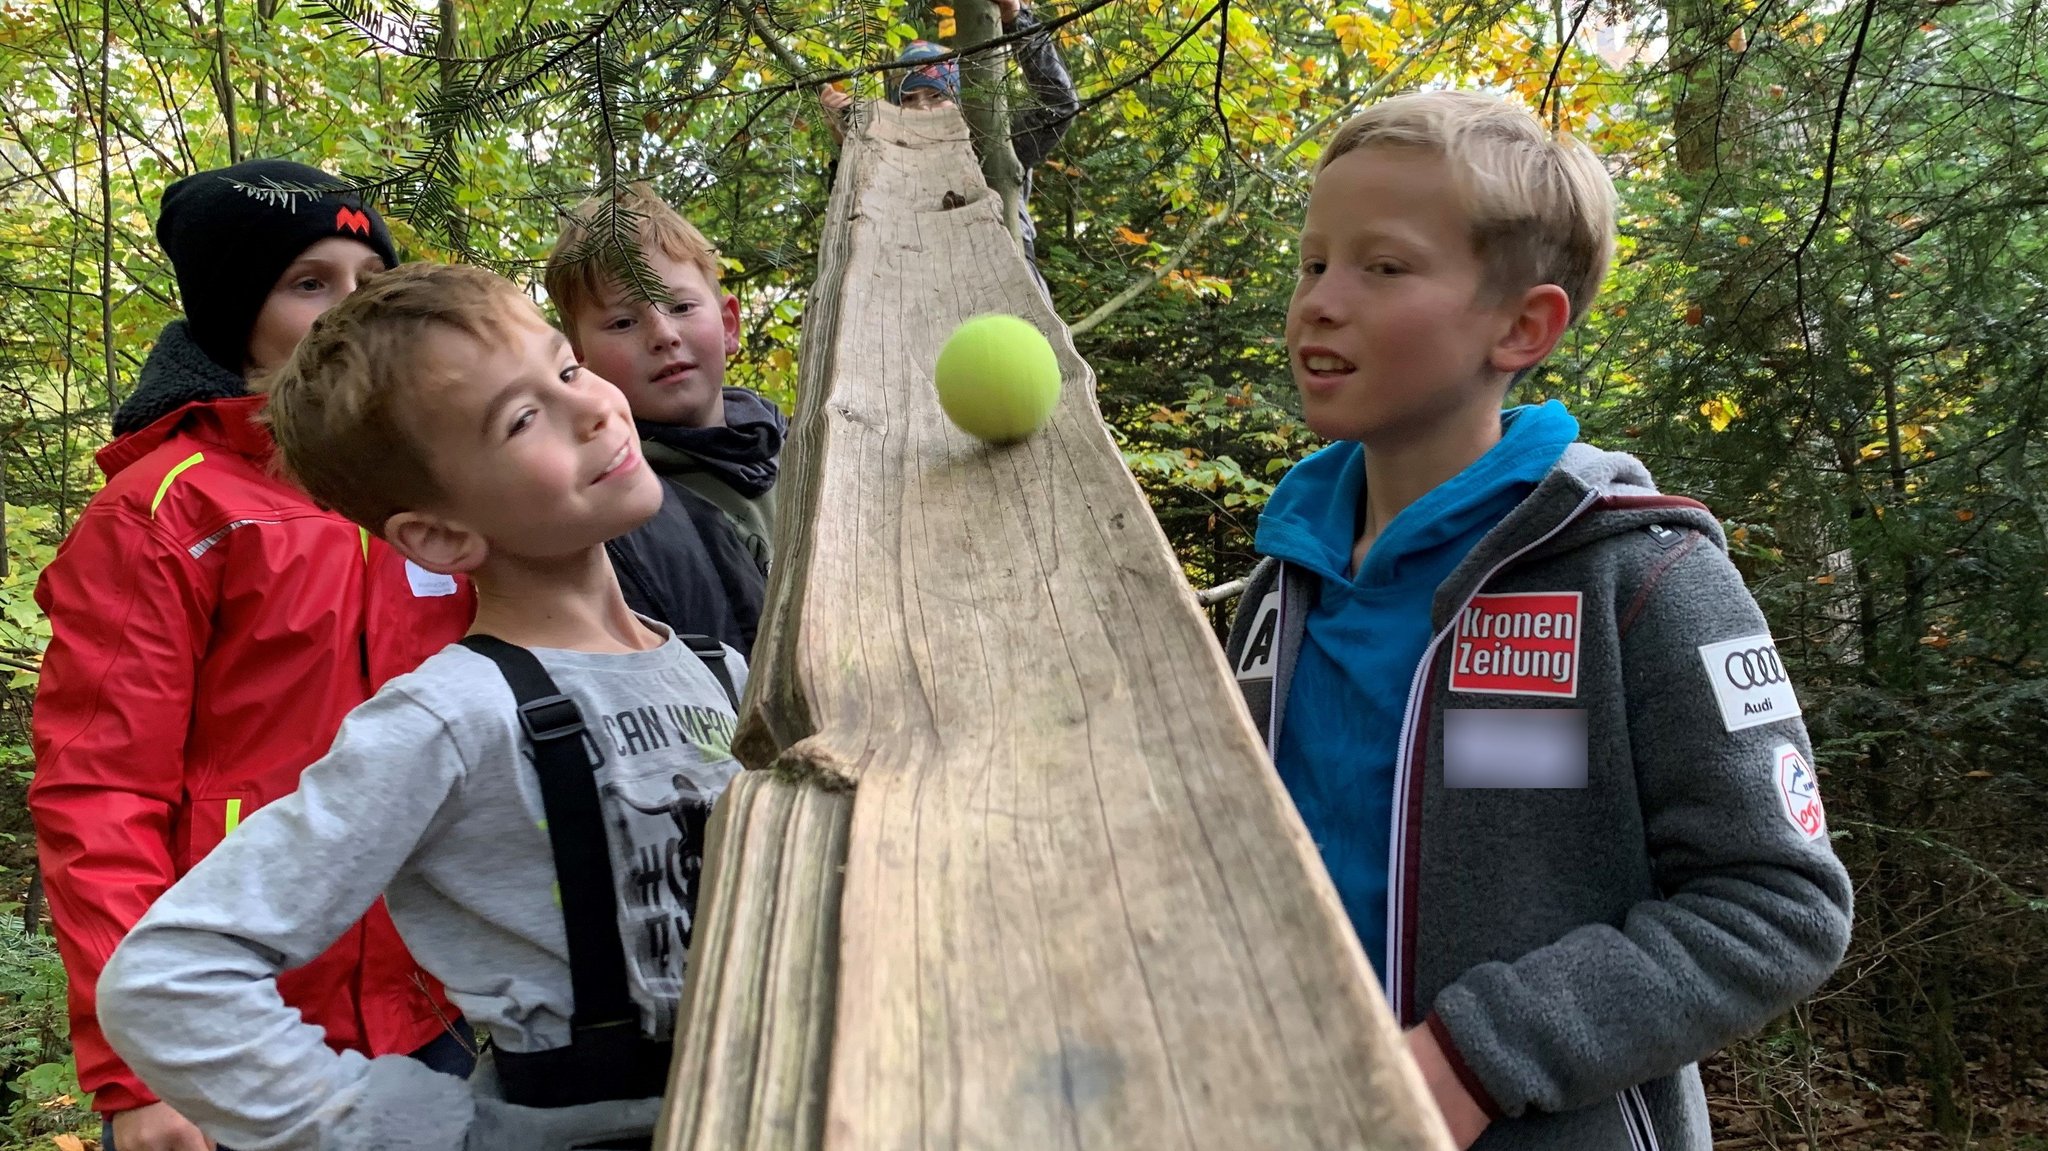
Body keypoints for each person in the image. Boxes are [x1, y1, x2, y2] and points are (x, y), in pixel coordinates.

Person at [1220, 91, 1853, 1149]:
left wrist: (1473, 1056)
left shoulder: (1639, 579)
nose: (1318, 302)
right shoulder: (1282, 588)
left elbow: (1777, 904)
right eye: (1311, 261)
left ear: (1522, 326)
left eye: (1380, 267)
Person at [95, 262, 748, 1151]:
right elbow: (168, 975)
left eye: (565, 370)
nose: (593, 407)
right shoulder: (451, 716)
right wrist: (401, 1125)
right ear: (440, 534)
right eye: (523, 419)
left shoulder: (725, 675)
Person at [27, 160, 477, 1151]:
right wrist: (142, 1066)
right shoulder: (170, 505)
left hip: (425, 1022)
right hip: (228, 1040)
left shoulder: (429, 502)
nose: (351, 310)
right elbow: (100, 791)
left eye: (371, 282)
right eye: (309, 283)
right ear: (239, 311)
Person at [544, 184, 785, 654]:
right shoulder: (607, 526)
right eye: (622, 323)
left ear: (729, 324)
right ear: (579, 362)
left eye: (681, 306)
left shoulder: (808, 449)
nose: (663, 335)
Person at [819, 0, 1078, 265]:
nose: (922, 105)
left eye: (936, 94)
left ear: (961, 99)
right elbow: (856, 211)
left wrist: (1018, 21)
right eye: (908, 99)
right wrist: (845, 144)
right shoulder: (892, 163)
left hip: (1008, 277)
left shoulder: (992, 142)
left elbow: (1059, 104)